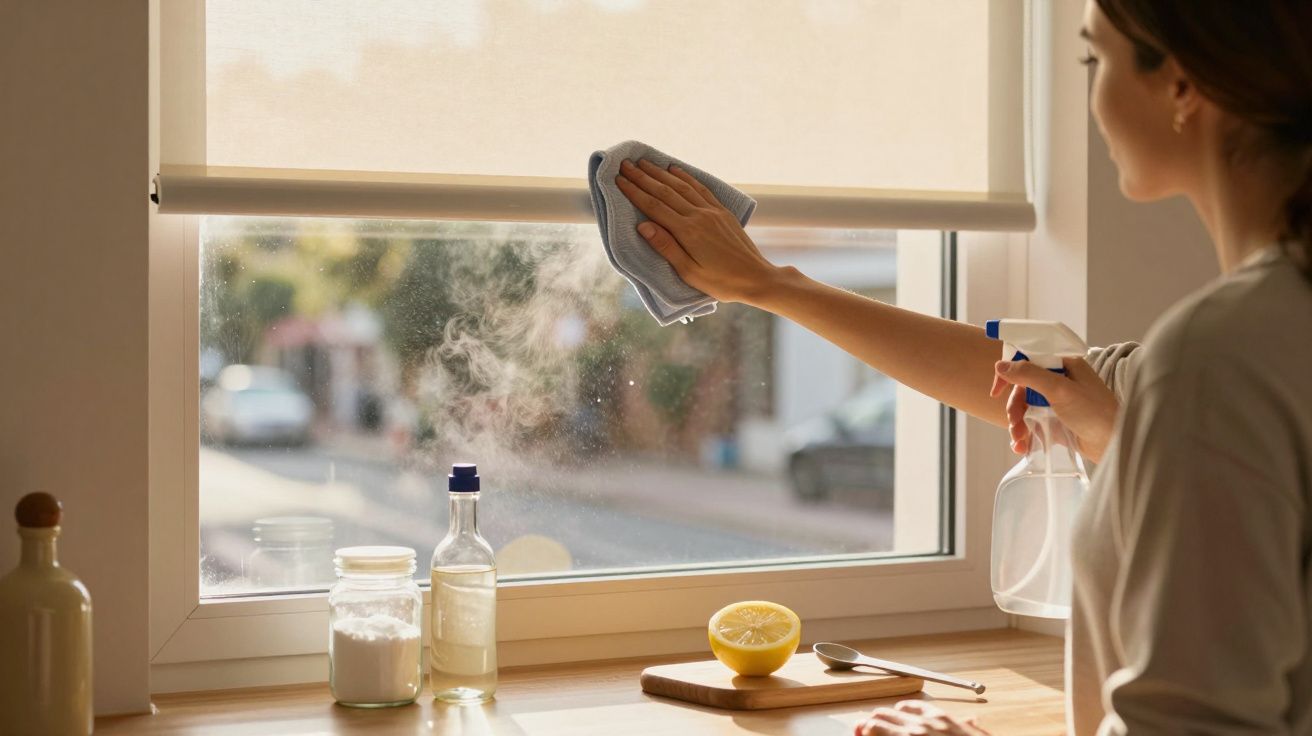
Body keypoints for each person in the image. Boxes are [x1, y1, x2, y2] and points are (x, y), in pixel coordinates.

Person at [614, 0, 1312, 731]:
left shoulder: (1219, 358)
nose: (1092, 96)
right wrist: (770, 284)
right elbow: (1039, 377)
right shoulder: (1255, 342)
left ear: (1182, 85)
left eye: (1093, 59)